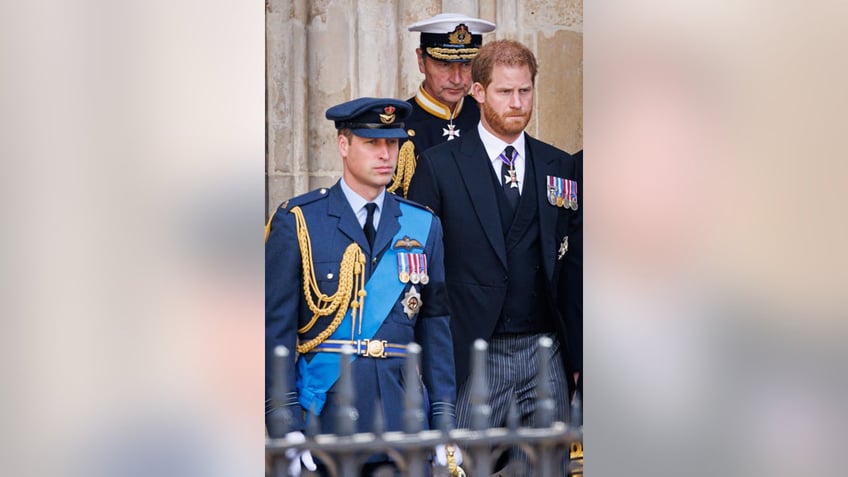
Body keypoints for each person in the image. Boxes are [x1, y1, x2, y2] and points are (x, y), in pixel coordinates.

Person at [407, 40, 581, 472]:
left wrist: (580, 359)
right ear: (479, 92)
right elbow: (417, 272)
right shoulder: (438, 166)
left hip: (546, 356)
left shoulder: (558, 166)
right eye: (505, 92)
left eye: (525, 91)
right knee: (458, 470)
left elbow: (575, 273)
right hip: (471, 357)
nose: (517, 103)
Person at [265, 97, 460, 476]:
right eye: (372, 143)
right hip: (325, 417)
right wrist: (284, 420)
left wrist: (444, 420)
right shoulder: (301, 222)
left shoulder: (423, 226)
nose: (386, 154)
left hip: (401, 418)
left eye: (392, 143)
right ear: (343, 145)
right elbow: (276, 333)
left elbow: (437, 329)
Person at [388, 12, 496, 197]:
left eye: (466, 64)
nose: (456, 79)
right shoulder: (397, 124)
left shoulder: (487, 116)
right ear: (421, 61)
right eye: (445, 64)